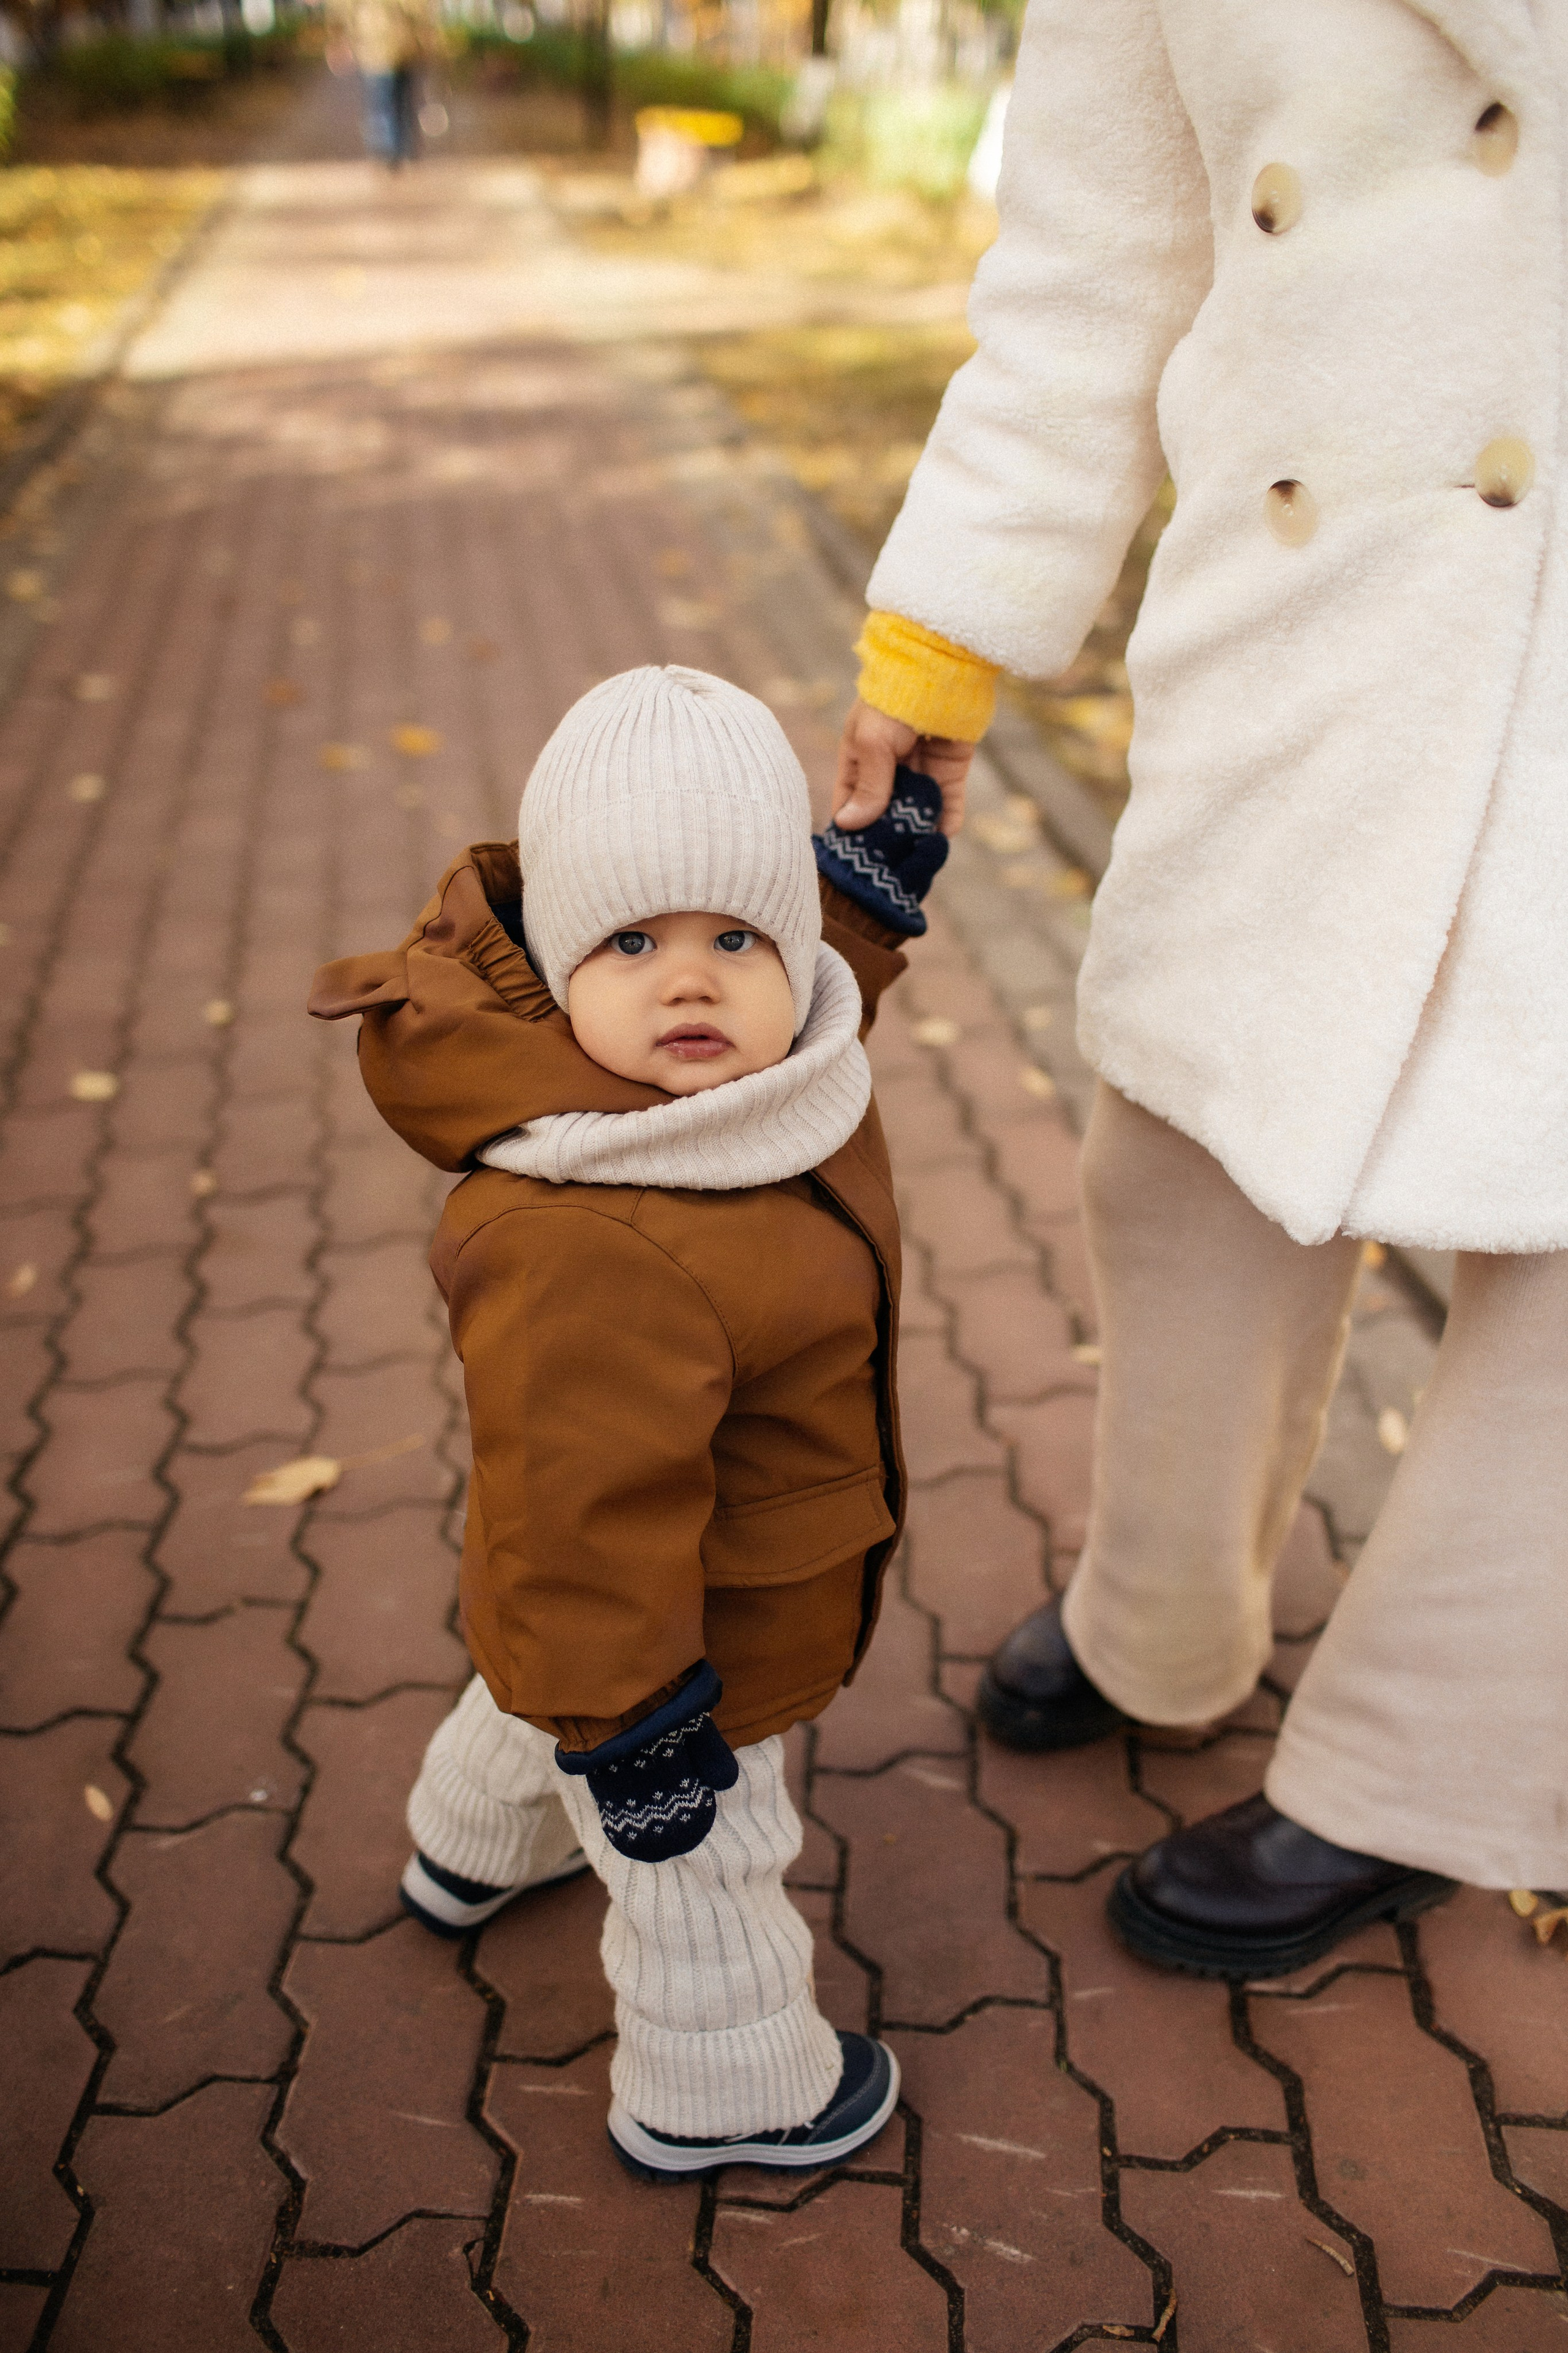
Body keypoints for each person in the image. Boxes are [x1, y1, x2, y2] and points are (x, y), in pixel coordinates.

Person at [833, 0, 1568, 1979]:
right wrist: (937, 650)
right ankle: (1167, 1611)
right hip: (1301, 599)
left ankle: (1424, 1762)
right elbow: (1090, 267)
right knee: (1176, 1147)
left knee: (1564, 1256)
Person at [308, 667, 949, 2178]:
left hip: (637, 1603)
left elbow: (802, 972)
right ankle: (721, 2081)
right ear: (547, 963)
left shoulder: (749, 1071)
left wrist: (860, 898)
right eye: (631, 941)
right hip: (682, 1641)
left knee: (536, 1677)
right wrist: (641, 1735)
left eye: (736, 938)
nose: (691, 984)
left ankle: (471, 1845)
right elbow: (575, 1536)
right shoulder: (582, 1232)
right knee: (709, 1858)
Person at [326, 0, 437, 169]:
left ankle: (394, 149)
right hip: (382, 46)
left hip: (395, 47)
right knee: (387, 100)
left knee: (391, 100)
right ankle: (394, 149)